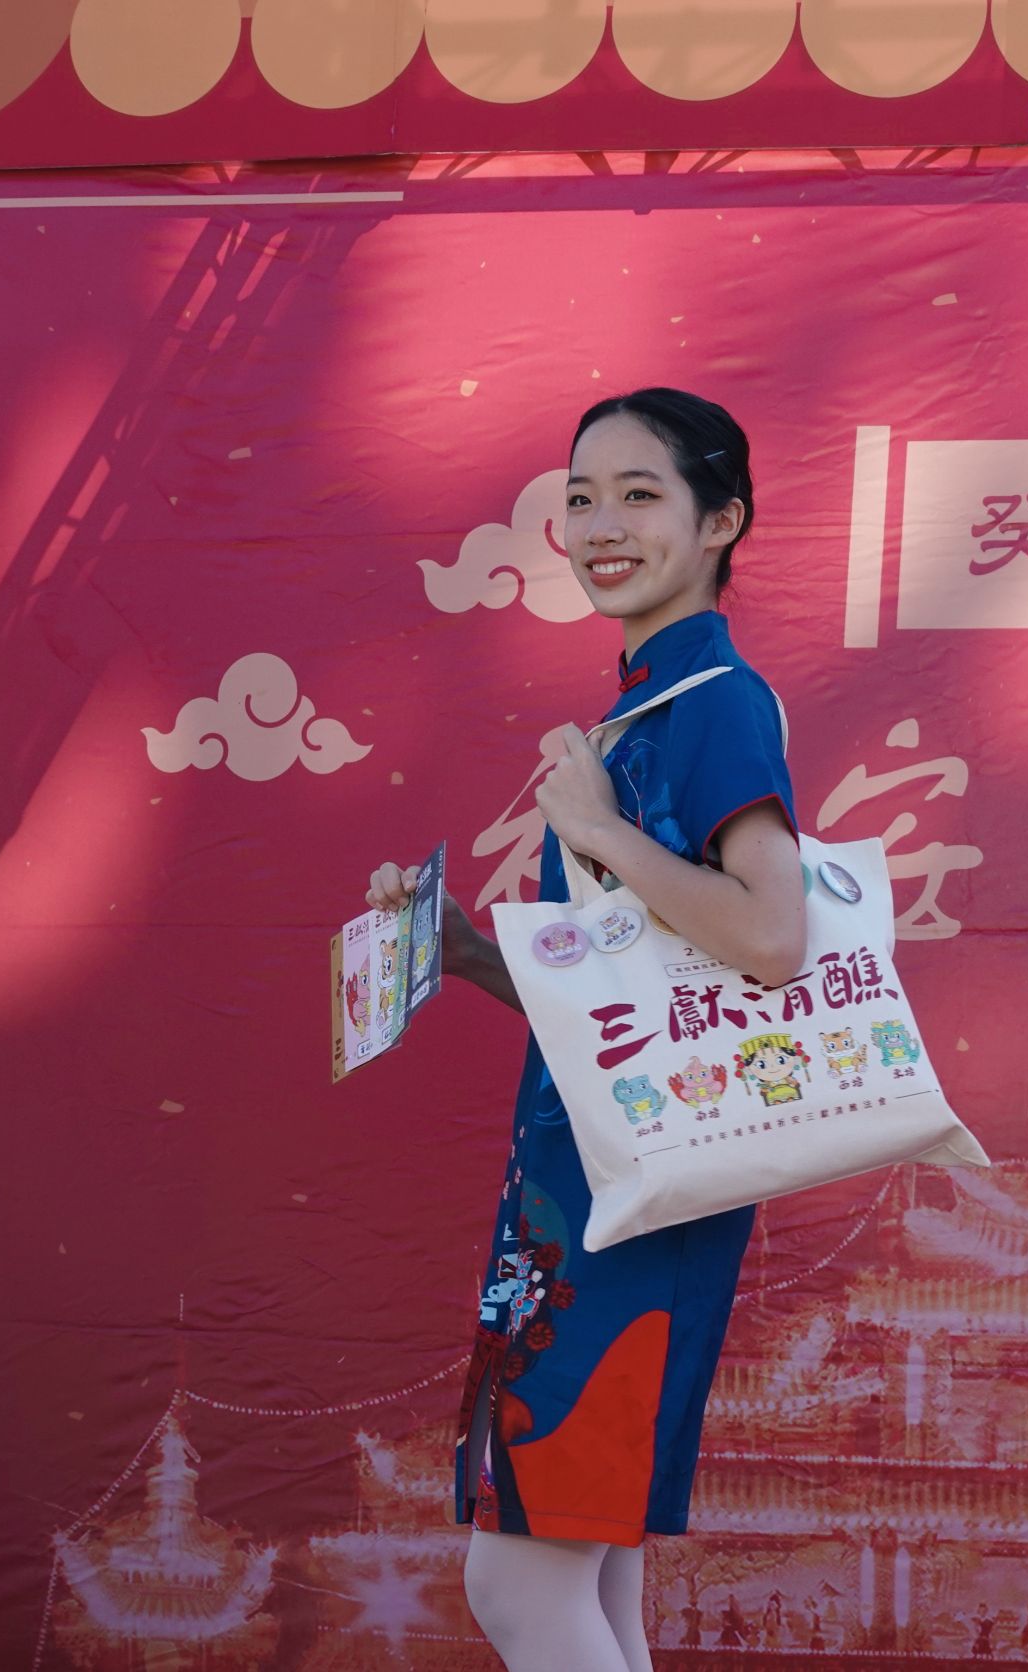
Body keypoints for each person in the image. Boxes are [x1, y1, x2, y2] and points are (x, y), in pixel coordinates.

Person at [365, 388, 807, 1672]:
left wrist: (600, 830)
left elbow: (770, 935)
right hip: (590, 1186)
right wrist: (463, 951)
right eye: (580, 498)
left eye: (639, 494)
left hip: (635, 1201)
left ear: (721, 521)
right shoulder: (644, 705)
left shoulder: (712, 699)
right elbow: (635, 987)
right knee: (595, 1587)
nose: (600, 525)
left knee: (521, 1583)